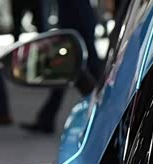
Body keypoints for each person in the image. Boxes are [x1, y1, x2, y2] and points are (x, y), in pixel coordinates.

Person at [21, 0, 103, 134]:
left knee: (79, 69)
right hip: (76, 19)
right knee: (71, 70)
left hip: (77, 20)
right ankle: (46, 118)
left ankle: (106, 109)